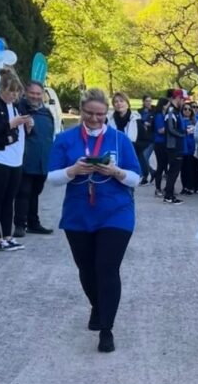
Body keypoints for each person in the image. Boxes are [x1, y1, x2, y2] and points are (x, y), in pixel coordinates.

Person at [46, 88, 141, 352]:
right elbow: (52, 178)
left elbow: (136, 178)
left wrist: (115, 171)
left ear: (107, 112)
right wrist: (73, 170)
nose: (95, 119)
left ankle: (107, 330)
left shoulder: (120, 140)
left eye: (101, 114)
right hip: (79, 214)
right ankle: (98, 306)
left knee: (107, 269)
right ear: (81, 111)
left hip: (116, 212)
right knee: (86, 269)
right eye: (89, 113)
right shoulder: (65, 139)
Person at [0, 68, 33, 251]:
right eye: (10, 91)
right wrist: (10, 124)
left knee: (10, 199)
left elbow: (24, 133)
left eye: (17, 92)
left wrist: (28, 126)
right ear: (1, 89)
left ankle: (8, 236)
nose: (13, 95)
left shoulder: (17, 107)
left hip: (14, 159)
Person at [14, 79, 56, 237]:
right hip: (25, 161)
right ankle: (19, 224)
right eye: (32, 93)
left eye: (38, 93)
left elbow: (49, 137)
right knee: (23, 193)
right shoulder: (20, 110)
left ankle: (33, 223)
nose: (35, 96)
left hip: (42, 162)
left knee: (35, 193)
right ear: (26, 93)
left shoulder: (46, 113)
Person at [162, 91, 187, 204]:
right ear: (178, 98)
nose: (184, 102)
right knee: (173, 172)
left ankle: (169, 193)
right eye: (183, 99)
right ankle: (168, 195)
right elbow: (171, 129)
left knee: (174, 171)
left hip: (177, 145)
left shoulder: (176, 111)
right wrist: (184, 132)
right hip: (173, 146)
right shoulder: (172, 111)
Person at [180, 101, 198, 194]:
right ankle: (184, 187)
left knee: (190, 168)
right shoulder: (180, 121)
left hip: (191, 147)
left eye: (189, 109)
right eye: (185, 109)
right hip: (182, 147)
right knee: (183, 169)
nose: (187, 111)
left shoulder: (194, 121)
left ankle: (190, 186)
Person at [136, 96, 156, 185]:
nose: (149, 103)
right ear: (143, 102)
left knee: (144, 156)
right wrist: (143, 122)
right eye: (147, 101)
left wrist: (149, 123)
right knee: (141, 157)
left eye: (150, 101)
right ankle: (151, 172)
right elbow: (137, 121)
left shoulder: (154, 111)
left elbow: (154, 122)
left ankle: (145, 176)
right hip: (141, 138)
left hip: (151, 137)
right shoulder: (139, 111)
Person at [152, 98, 169, 196]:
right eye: (167, 105)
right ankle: (157, 188)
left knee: (164, 165)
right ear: (163, 105)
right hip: (160, 143)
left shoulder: (163, 115)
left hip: (164, 143)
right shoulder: (159, 116)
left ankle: (163, 187)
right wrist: (171, 127)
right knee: (161, 165)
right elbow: (160, 130)